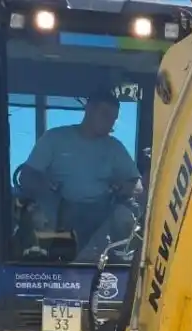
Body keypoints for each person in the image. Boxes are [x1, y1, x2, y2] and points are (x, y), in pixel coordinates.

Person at [18, 90, 142, 262]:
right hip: (60, 210)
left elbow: (137, 185)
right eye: (105, 115)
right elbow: (27, 176)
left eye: (113, 119)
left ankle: (118, 268)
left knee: (125, 216)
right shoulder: (55, 138)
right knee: (37, 211)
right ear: (89, 109)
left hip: (101, 214)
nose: (109, 122)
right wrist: (46, 186)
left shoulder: (114, 147)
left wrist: (123, 186)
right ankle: (36, 263)